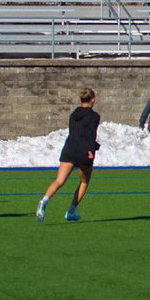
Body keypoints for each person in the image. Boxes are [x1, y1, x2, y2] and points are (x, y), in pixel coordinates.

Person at [37, 89, 101, 223]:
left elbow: (75, 132)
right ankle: (71, 211)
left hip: (70, 149)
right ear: (93, 99)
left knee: (59, 181)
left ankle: (44, 201)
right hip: (84, 152)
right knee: (84, 182)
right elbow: (90, 134)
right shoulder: (94, 116)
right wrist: (92, 149)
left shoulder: (73, 114)